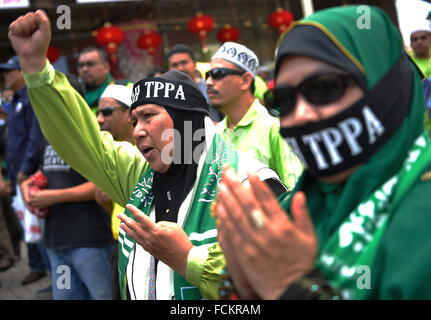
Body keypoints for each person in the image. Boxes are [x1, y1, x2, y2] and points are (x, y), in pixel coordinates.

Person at [8, 10, 286, 300]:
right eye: (134, 121)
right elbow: (82, 141)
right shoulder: (140, 176)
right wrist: (36, 67)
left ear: (185, 121)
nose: (138, 131)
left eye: (149, 117)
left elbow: (278, 275)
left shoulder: (249, 183)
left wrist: (187, 258)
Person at [214, 5, 431, 300]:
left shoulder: (421, 210)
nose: (300, 114)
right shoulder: (294, 208)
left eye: (325, 87)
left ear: (386, 87)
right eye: (285, 99)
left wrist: (295, 288)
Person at [206, 42, 302, 190]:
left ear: (245, 80)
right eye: (207, 75)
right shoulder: (214, 135)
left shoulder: (275, 129)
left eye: (217, 74)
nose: (208, 82)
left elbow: (295, 191)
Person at [0, 55, 49, 286]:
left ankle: (48, 271)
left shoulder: (30, 98)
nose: (6, 76)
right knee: (28, 223)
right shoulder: (17, 100)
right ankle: (38, 266)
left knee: (36, 224)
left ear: (21, 72)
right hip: (18, 173)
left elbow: (34, 137)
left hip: (29, 174)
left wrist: (25, 170)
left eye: (10, 71)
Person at [167, 44, 223, 122]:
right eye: (174, 65)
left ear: (194, 64)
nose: (180, 68)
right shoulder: (167, 94)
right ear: (169, 69)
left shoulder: (210, 87)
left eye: (184, 63)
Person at [77, 47, 132, 113]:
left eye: (90, 64)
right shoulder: (75, 98)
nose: (84, 69)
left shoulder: (126, 88)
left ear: (106, 67)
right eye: (81, 65)